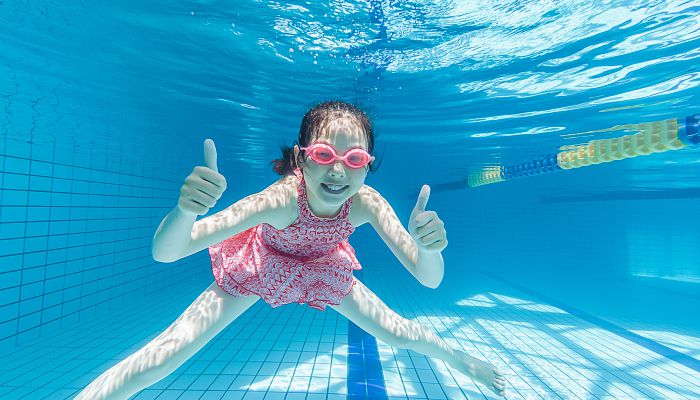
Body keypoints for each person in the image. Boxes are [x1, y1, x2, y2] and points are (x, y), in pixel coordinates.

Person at [74, 100, 506, 399]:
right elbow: (167, 252)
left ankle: (462, 360)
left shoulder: (367, 202)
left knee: (397, 330)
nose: (338, 171)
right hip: (260, 264)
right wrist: (185, 211)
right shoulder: (280, 199)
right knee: (165, 356)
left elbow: (429, 278)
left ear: (368, 164)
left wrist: (430, 249)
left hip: (323, 266)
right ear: (301, 159)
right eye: (323, 154)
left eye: (355, 159)